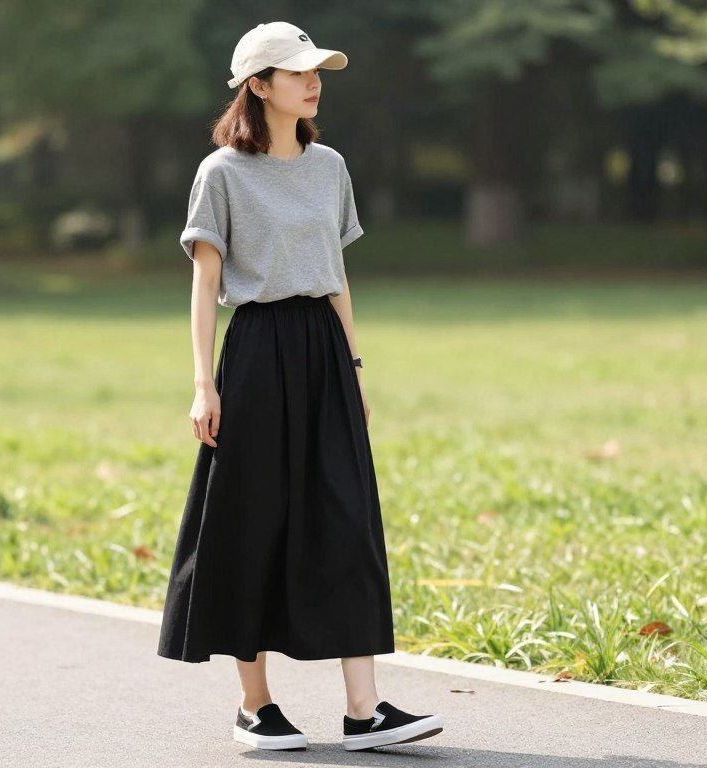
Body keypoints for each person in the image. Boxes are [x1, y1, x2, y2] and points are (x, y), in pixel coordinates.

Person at [156, 21, 445, 752]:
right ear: (258, 85)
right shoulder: (220, 173)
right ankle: (255, 706)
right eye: (296, 72)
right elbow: (205, 281)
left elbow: (336, 274)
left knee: (347, 518)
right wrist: (202, 383)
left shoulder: (330, 167)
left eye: (317, 70)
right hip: (254, 352)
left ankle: (363, 710)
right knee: (250, 522)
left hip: (322, 349)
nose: (313, 81)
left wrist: (354, 367)